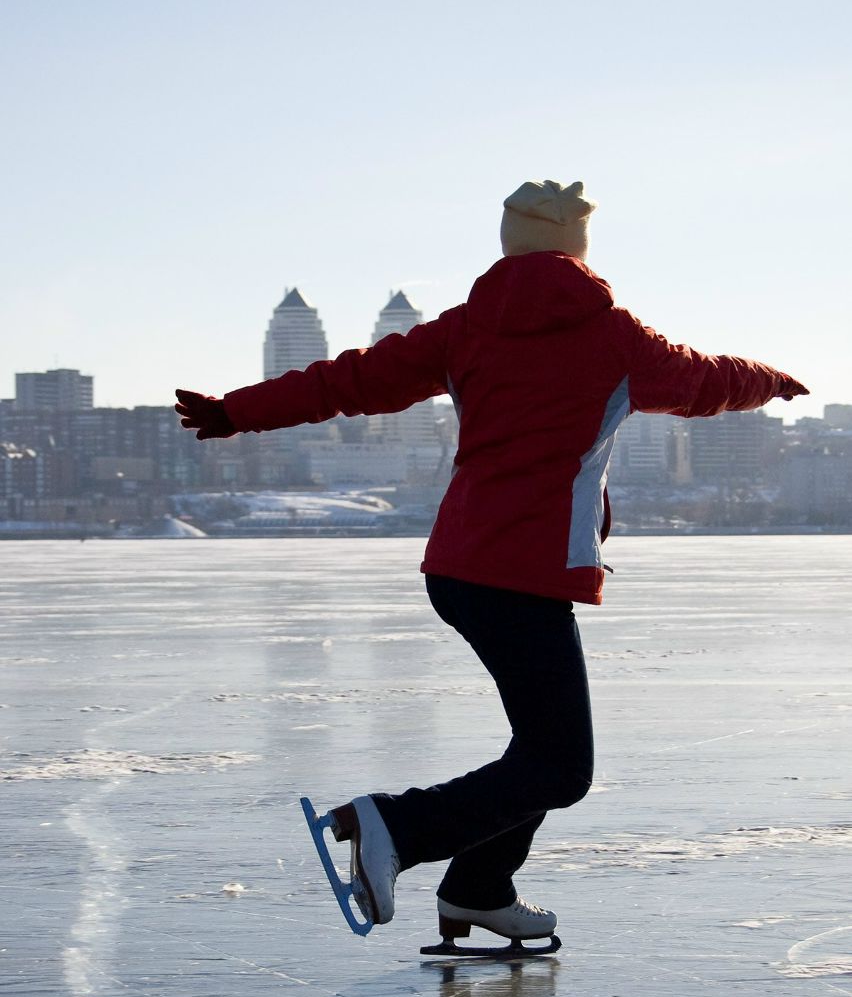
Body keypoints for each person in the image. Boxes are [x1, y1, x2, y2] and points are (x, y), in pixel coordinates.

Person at [176, 179, 808, 947]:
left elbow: (350, 380)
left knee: (540, 748)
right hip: (524, 576)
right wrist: (772, 379)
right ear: (578, 250)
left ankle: (479, 887)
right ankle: (394, 827)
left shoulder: (466, 327)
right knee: (560, 766)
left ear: (509, 244)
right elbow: (707, 380)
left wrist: (236, 411)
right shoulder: (614, 336)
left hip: (461, 567)